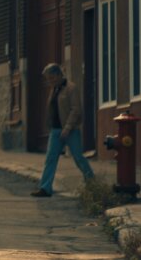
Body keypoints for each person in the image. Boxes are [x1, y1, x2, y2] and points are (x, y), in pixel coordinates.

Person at [31, 63, 94, 197]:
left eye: (52, 78)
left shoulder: (71, 88)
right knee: (50, 158)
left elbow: (76, 109)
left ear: (60, 75)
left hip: (70, 130)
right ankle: (45, 188)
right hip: (55, 130)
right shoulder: (54, 89)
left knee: (78, 157)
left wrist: (68, 127)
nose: (50, 81)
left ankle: (92, 183)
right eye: (48, 79)